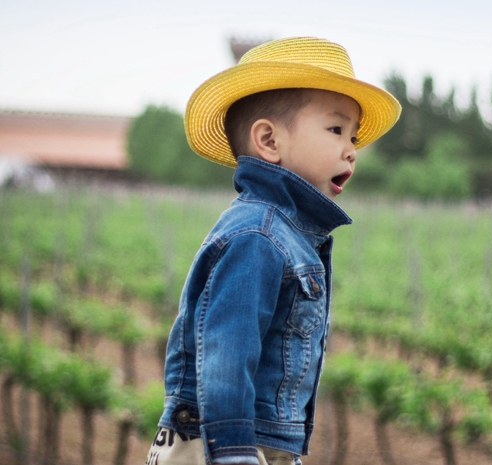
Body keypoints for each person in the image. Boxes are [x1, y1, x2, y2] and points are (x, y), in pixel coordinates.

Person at [146, 36, 401, 465]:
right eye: (336, 129)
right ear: (268, 140)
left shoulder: (289, 234)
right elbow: (226, 356)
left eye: (353, 136)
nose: (352, 150)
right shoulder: (258, 237)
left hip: (260, 443)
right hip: (225, 445)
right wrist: (234, 455)